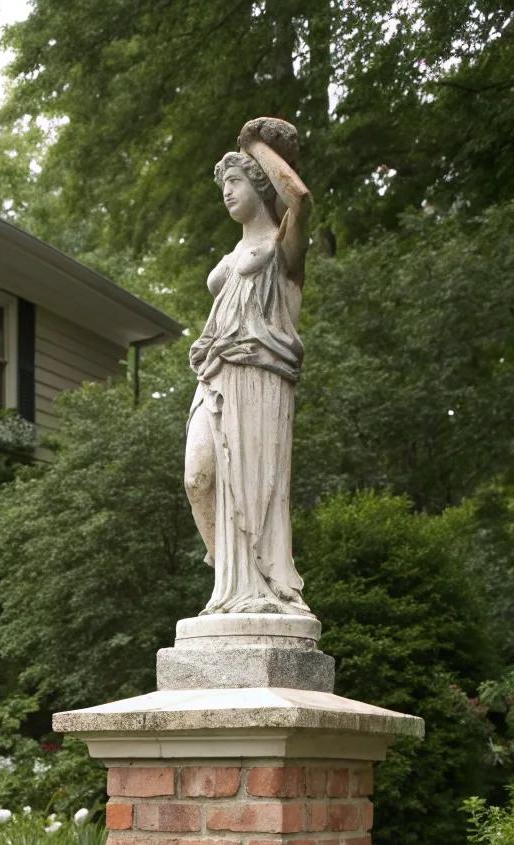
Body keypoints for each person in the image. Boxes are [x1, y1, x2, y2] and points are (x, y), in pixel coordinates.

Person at [184, 117, 313, 615]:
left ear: (259, 183)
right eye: (222, 185)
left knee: (255, 486)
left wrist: (256, 147)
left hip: (260, 376)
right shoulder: (230, 257)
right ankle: (228, 582)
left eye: (234, 182)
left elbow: (299, 197)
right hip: (216, 373)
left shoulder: (284, 250)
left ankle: (259, 586)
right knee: (198, 478)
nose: (226, 192)